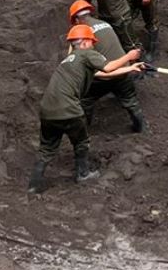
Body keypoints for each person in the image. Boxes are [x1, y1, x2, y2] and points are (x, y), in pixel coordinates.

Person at [29, 23, 142, 193]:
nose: (93, 45)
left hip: (47, 111)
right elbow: (108, 67)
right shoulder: (87, 53)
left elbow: (103, 74)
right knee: (81, 141)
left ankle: (34, 185)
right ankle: (83, 173)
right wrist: (129, 56)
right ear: (84, 42)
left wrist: (130, 68)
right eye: (91, 42)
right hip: (69, 109)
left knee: (47, 148)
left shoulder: (69, 61)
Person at [69, 0, 145, 133]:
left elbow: (81, 60)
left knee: (86, 99)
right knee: (130, 100)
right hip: (124, 69)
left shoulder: (83, 34)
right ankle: (141, 128)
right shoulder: (105, 24)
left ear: (76, 20)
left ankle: (84, 132)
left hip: (106, 75)